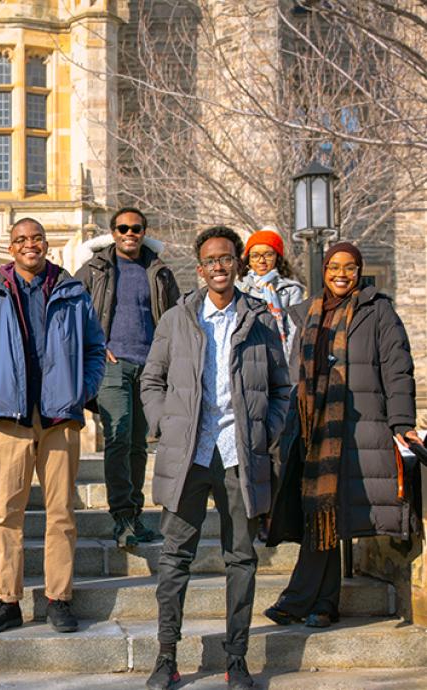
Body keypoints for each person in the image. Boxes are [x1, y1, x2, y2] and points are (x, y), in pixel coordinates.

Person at [140, 227, 290, 690]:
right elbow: (152, 380)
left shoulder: (261, 321)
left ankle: (237, 658)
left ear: (237, 265)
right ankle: (167, 656)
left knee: (241, 558)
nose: (219, 267)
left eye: (227, 258)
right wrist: (165, 424)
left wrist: (266, 431)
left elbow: (282, 388)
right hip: (188, 455)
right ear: (200, 268)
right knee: (173, 557)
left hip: (237, 457)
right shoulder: (177, 319)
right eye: (210, 260)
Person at [265, 242, 422, 629]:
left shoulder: (378, 311)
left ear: (359, 271)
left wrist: (401, 424)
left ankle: (302, 600)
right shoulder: (306, 314)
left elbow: (398, 369)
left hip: (356, 429)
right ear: (325, 271)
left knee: (327, 514)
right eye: (334, 266)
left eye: (349, 268)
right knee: (320, 515)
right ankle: (322, 603)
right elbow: (292, 374)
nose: (341, 273)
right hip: (310, 429)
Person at [0, 218, 106, 635]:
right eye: (21, 240)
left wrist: (82, 390)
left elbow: (95, 347)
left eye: (37, 238)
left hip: (60, 417)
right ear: (11, 248)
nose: (30, 245)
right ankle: (7, 600)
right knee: (7, 513)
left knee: (61, 512)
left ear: (47, 245)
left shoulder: (73, 292)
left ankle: (58, 598)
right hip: (12, 418)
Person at [76, 206, 180, 546]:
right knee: (118, 437)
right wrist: (94, 344)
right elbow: (71, 313)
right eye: (123, 228)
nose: (129, 234)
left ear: (143, 232)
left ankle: (134, 515)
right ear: (113, 232)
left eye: (136, 228)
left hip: (150, 368)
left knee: (138, 444)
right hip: (112, 364)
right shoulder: (94, 269)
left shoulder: (159, 271)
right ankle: (121, 518)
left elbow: (176, 317)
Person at [236, 227, 306, 358]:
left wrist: (286, 360)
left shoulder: (291, 290)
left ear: (277, 257)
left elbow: (295, 330)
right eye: (255, 255)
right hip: (248, 356)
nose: (261, 261)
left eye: (268, 254)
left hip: (280, 355)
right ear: (248, 260)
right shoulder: (238, 289)